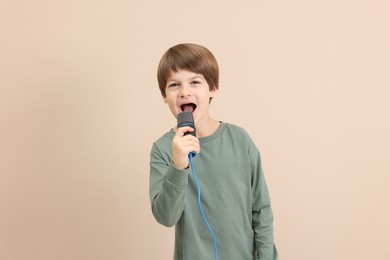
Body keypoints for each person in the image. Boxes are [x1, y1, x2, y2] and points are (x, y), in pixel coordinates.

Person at [149, 43, 278, 260]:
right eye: (174, 85)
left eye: (195, 82)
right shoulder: (162, 149)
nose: (185, 92)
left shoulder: (240, 140)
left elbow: (261, 209)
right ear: (164, 95)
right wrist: (178, 166)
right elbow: (166, 217)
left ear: (212, 88)